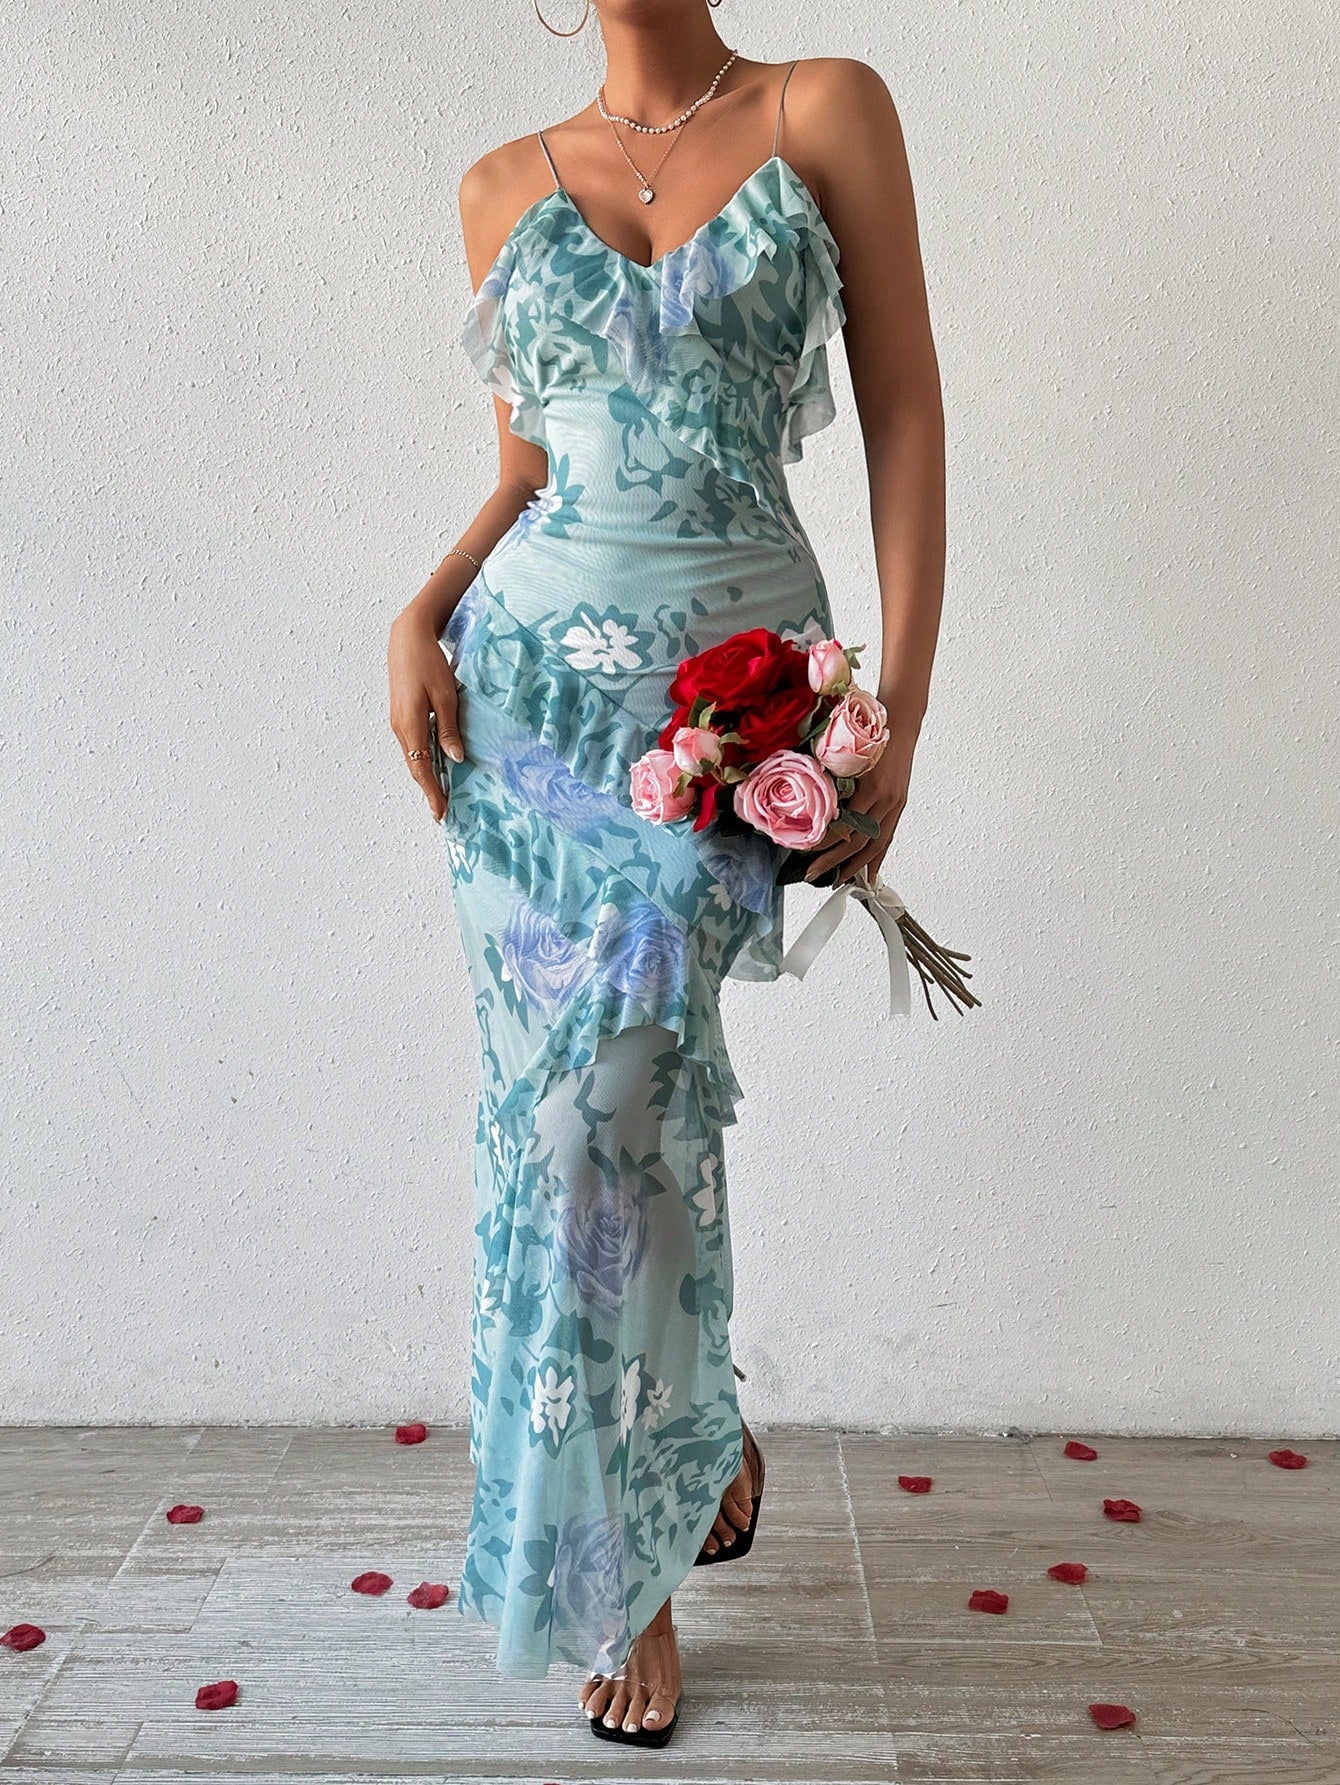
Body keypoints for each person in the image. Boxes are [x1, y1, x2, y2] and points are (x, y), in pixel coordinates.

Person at [386, 4, 945, 1750]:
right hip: (527, 722)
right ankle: (649, 1539)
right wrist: (420, 608)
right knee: (560, 1127)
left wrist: (902, 710)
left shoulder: (822, 111)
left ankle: (673, 1454)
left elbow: (907, 405)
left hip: (728, 709)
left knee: (610, 1103)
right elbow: (527, 471)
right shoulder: (499, 186)